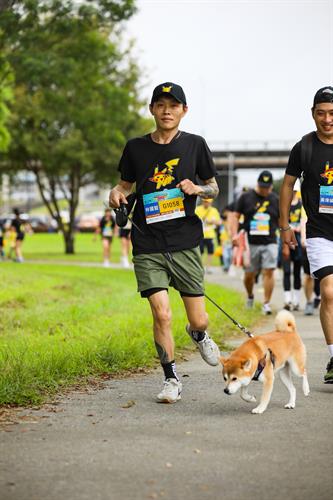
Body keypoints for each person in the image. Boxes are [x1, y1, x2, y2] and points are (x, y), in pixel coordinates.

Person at [109, 82, 220, 403]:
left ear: (184, 110)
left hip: (184, 240)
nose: (167, 110)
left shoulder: (196, 145)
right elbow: (124, 186)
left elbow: (213, 187)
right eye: (160, 104)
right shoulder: (135, 147)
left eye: (174, 105)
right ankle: (171, 378)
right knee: (162, 314)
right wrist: (116, 194)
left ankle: (198, 334)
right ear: (152, 110)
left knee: (198, 318)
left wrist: (197, 189)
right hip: (147, 241)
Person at [279, 86, 333, 384]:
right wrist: (285, 225)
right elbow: (287, 185)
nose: (327, 119)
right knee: (328, 292)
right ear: (312, 113)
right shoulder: (304, 147)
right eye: (321, 113)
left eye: (332, 114)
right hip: (320, 232)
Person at [230, 170, 279, 315]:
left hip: (270, 240)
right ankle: (250, 296)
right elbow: (234, 216)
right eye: (262, 187)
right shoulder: (245, 197)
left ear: (271, 187)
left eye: (267, 187)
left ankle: (266, 303)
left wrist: (285, 243)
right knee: (249, 274)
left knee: (269, 270)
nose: (264, 190)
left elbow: (282, 221)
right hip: (249, 243)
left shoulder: (275, 199)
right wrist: (234, 235)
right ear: (257, 184)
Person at [280, 179, 303, 310]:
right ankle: (287, 299)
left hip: (298, 238)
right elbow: (281, 223)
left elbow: (304, 221)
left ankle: (297, 300)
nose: (292, 193)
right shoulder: (284, 206)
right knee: (287, 270)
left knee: (297, 270)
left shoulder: (301, 205)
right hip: (286, 240)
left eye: (294, 191)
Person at [195, 198, 221, 273]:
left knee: (210, 252)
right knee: (200, 252)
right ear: (203, 202)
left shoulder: (214, 210)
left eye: (208, 202)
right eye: (205, 202)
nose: (206, 203)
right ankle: (199, 267)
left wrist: (213, 221)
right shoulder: (197, 209)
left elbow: (219, 222)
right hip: (200, 235)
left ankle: (208, 267)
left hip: (210, 235)